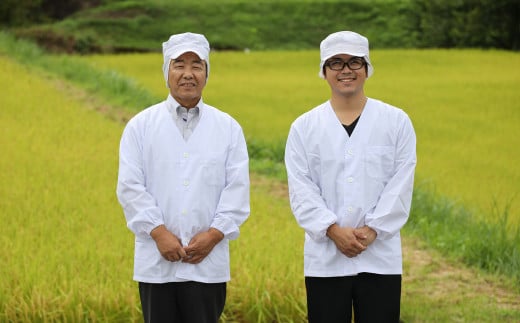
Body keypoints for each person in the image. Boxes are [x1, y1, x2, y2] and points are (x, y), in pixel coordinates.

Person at [116, 32, 250, 323]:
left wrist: (214, 235)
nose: (188, 73)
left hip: (208, 262)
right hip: (156, 261)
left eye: (197, 65)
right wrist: (159, 233)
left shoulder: (228, 127)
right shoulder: (140, 126)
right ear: (167, 70)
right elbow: (129, 187)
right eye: (179, 64)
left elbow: (237, 189)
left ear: (206, 72)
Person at [284, 31, 417, 323]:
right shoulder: (304, 127)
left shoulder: (396, 121)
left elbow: (401, 181)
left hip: (380, 256)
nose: (346, 70)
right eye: (336, 63)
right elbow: (301, 187)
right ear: (323, 71)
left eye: (354, 62)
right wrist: (332, 230)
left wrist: (373, 230)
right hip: (325, 259)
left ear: (367, 68)